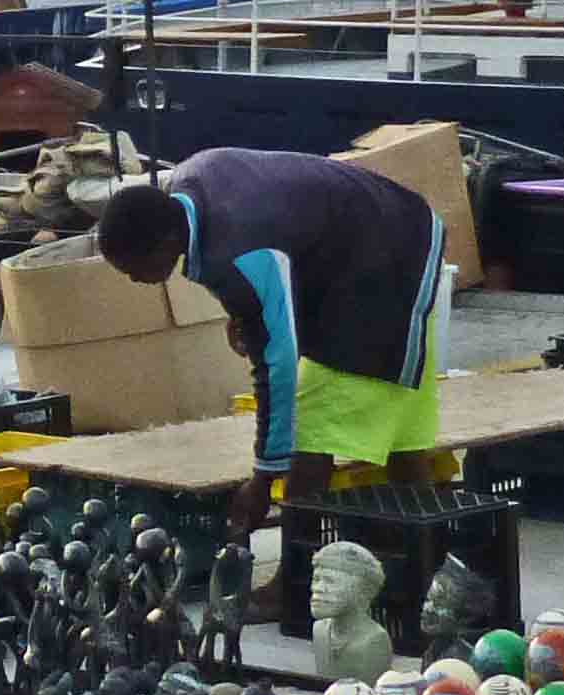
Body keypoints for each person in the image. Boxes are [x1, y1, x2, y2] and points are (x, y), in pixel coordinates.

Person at [90, 150, 449, 534]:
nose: (134, 280)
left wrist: (263, 479)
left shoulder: (238, 244)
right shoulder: (186, 190)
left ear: (164, 243)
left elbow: (276, 363)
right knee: (400, 428)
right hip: (395, 228)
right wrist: (244, 312)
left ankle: (295, 573)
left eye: (133, 269)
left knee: (309, 428)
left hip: (385, 255)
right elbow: (279, 245)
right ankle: (426, 552)